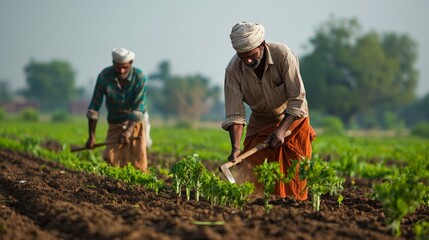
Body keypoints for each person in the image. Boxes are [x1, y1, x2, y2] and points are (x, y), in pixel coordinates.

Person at [222, 21, 316, 200]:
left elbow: (297, 99)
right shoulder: (233, 71)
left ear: (262, 45)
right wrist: (235, 147)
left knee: (294, 174)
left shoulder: (283, 55)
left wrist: (281, 130)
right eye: (243, 57)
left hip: (293, 120)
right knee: (254, 174)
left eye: (252, 55)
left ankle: (294, 209)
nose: (248, 61)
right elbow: (235, 115)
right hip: (261, 120)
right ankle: (258, 212)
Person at [86, 47, 149, 172]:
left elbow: (139, 107)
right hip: (115, 121)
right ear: (113, 63)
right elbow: (94, 107)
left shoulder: (139, 77)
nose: (121, 70)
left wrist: (128, 131)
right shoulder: (104, 77)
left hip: (135, 122)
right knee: (110, 159)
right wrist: (91, 136)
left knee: (138, 162)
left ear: (131, 64)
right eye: (118, 67)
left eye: (125, 67)